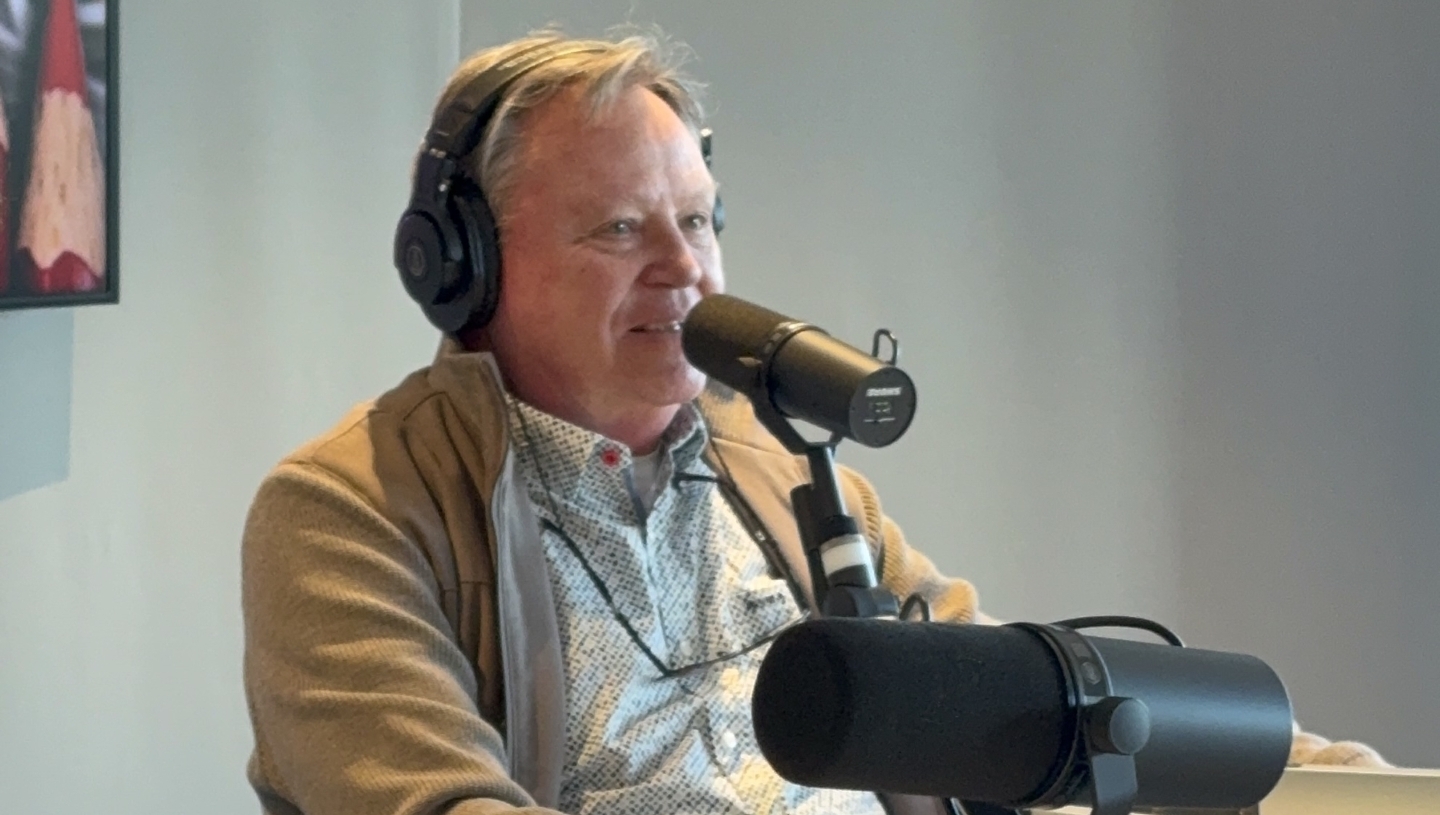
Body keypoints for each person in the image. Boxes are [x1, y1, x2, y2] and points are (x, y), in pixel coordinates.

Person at [240, 28, 1386, 815]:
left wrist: (1348, 782)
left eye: (698, 220)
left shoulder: (770, 458)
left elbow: (997, 695)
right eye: (620, 231)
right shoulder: (350, 509)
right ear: (469, 268)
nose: (685, 270)